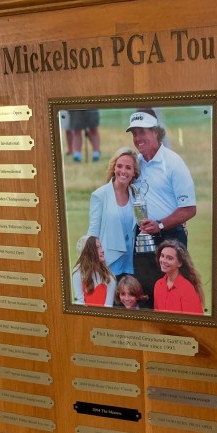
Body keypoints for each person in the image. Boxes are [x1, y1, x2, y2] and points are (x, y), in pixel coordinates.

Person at [126, 107, 197, 301]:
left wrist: (161, 225)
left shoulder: (173, 163)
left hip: (170, 237)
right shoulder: (135, 164)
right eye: (134, 133)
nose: (137, 138)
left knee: (172, 294)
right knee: (145, 294)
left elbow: (189, 209)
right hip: (142, 236)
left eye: (142, 132)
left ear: (156, 132)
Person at [87, 147, 139, 276]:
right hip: (109, 264)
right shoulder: (100, 195)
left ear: (134, 172)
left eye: (128, 167)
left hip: (132, 264)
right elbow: (93, 233)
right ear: (114, 168)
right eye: (119, 166)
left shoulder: (136, 194)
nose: (123, 171)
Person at [153, 239, 204, 315]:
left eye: (169, 258)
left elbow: (193, 320)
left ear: (180, 263)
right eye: (162, 256)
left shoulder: (187, 289)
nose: (163, 260)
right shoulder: (158, 284)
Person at [72, 236, 116, 306]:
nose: (102, 250)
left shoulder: (109, 277)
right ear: (88, 252)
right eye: (97, 247)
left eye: (101, 247)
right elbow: (79, 302)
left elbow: (108, 306)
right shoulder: (78, 272)